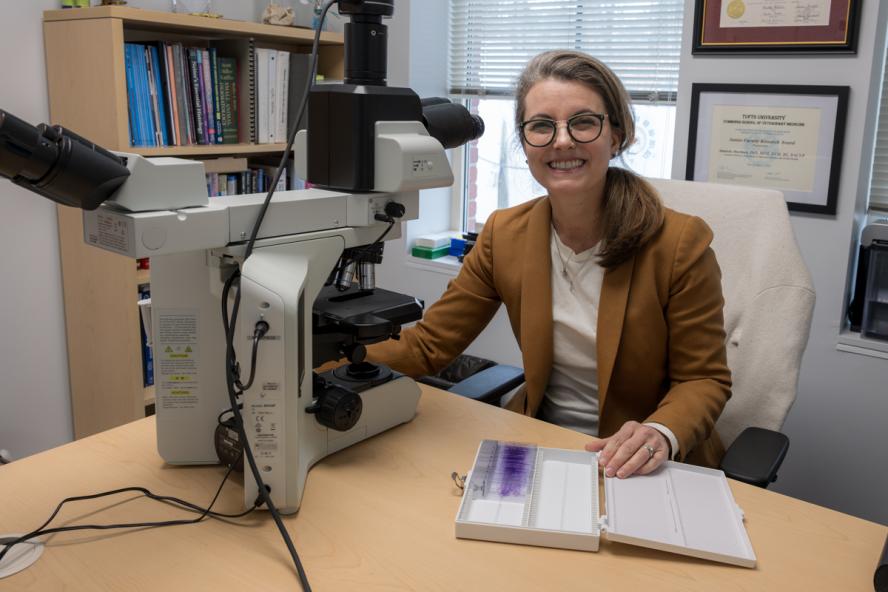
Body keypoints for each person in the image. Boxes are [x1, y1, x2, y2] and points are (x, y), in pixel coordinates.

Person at [367, 50, 731, 478]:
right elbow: (428, 346)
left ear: (616, 135)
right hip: (544, 446)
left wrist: (659, 432)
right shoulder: (505, 235)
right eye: (541, 126)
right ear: (524, 145)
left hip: (644, 465)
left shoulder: (679, 243)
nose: (562, 141)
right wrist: (309, 360)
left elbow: (704, 380)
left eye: (583, 122)